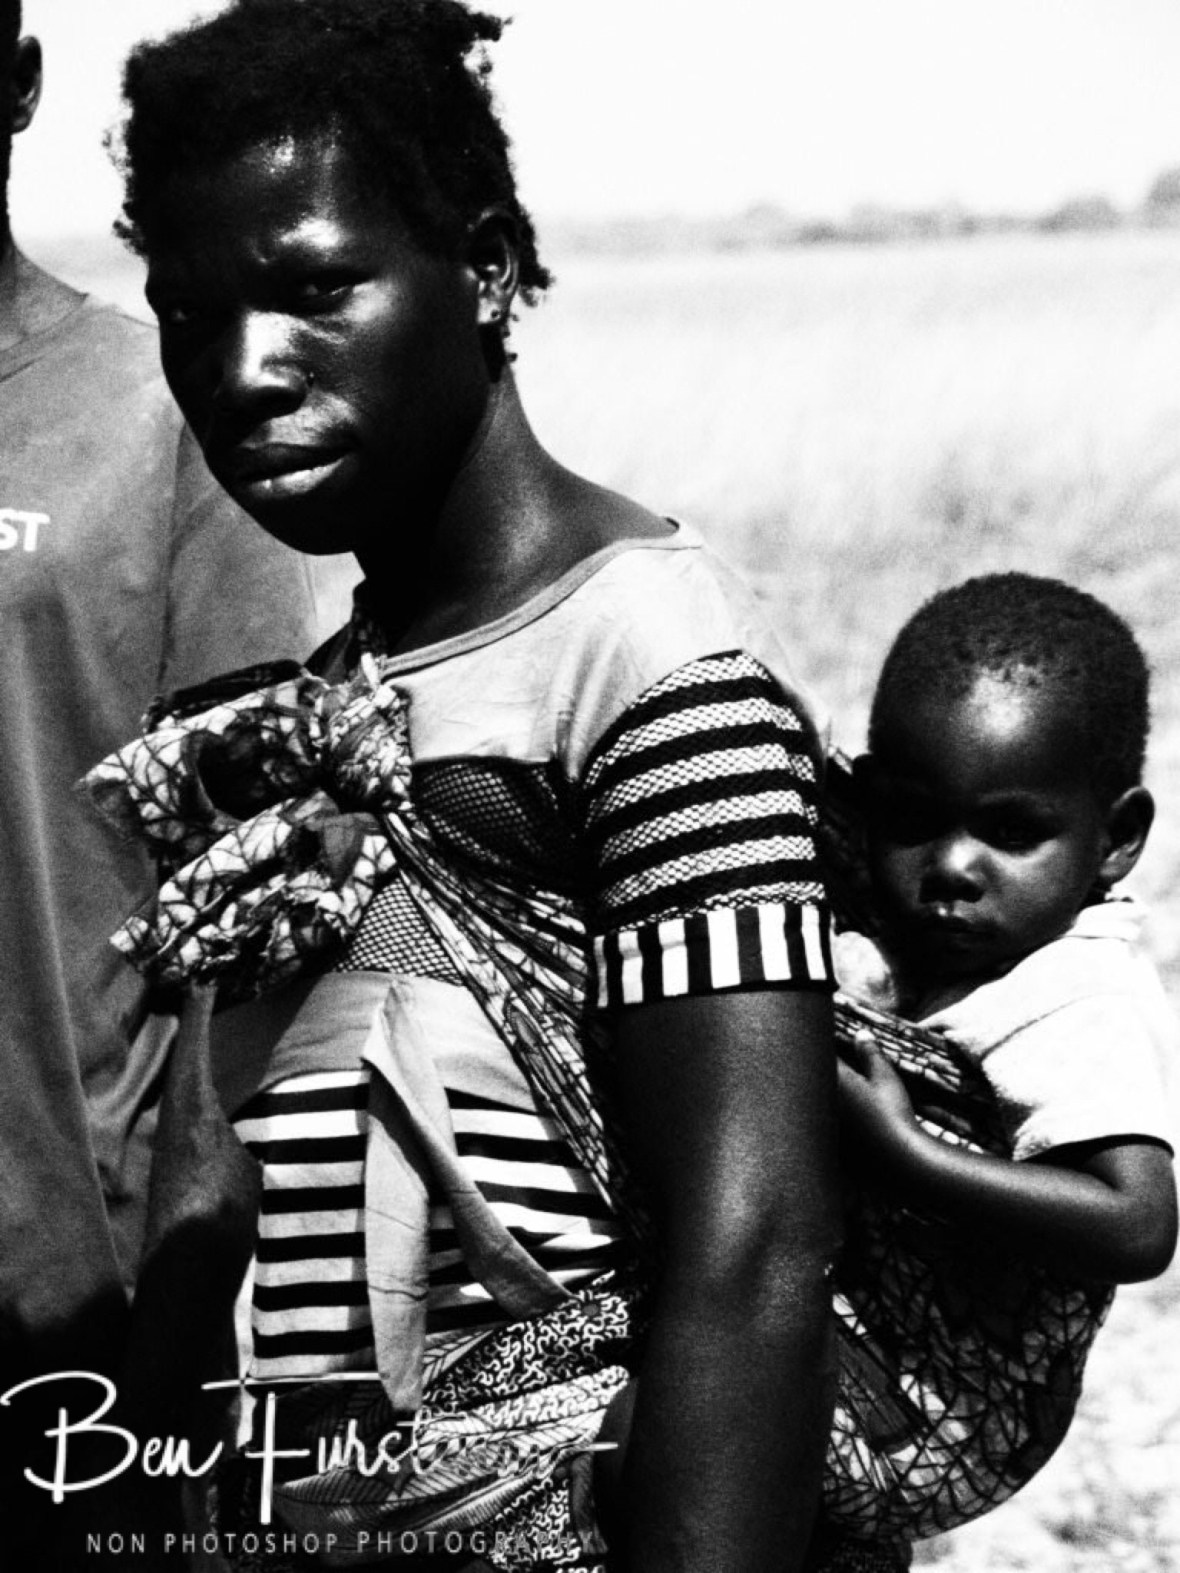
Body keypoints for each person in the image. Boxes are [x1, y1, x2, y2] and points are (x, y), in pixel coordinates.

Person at [85, 1, 841, 1568]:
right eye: (187, 309)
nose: (242, 372)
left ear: (485, 268)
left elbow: (749, 1255)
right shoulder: (340, 696)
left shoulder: (640, 653)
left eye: (310, 290)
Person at [0, 0, 322, 1557]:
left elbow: (252, 904)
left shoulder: (164, 411)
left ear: (16, 86)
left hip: (65, 1285)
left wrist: (182, 1322)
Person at [820, 572, 1178, 1566]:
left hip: (950, 1421)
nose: (951, 866)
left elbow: (1138, 1221)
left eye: (1009, 832)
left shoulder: (1074, 990)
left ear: (1115, 841)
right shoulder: (958, 935)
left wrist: (907, 1154)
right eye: (911, 818)